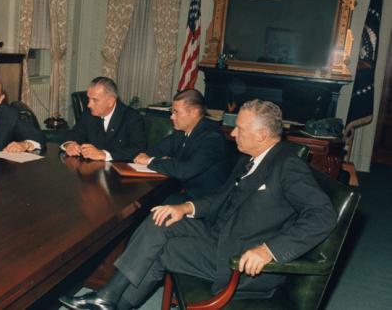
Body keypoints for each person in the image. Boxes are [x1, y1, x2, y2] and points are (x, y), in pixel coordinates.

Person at [59, 99, 337, 310]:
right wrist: (185, 208)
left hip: (240, 261)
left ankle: (112, 301)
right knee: (162, 218)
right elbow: (221, 197)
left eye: (239, 129)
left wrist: (269, 251)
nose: (232, 134)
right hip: (219, 236)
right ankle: (108, 299)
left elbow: (323, 215)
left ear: (262, 135)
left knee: (162, 249)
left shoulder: (287, 165)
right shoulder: (251, 157)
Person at [133, 89, 228, 201]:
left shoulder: (212, 138)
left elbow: (185, 170)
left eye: (176, 112)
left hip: (204, 203)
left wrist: (151, 161)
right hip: (182, 193)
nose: (172, 117)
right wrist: (150, 158)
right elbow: (154, 152)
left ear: (194, 112)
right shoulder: (181, 132)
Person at [62, 77, 146, 162]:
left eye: (95, 100)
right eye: (88, 99)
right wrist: (69, 145)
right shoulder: (88, 114)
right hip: (91, 170)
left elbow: (138, 149)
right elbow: (73, 134)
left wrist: (104, 155)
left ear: (110, 101)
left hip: (118, 171)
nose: (89, 105)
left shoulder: (132, 117)